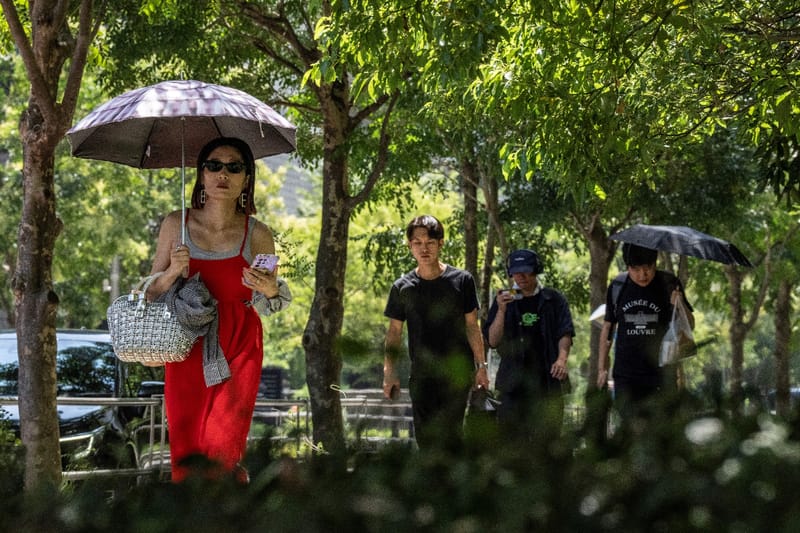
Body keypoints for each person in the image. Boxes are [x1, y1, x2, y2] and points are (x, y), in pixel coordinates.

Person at [146, 137, 291, 482]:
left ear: (246, 178)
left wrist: (269, 288)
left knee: (223, 442)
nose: (222, 174)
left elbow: (269, 302)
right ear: (201, 174)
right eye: (213, 165)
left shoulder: (259, 234)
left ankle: (228, 506)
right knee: (187, 445)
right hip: (186, 344)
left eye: (233, 167)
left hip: (239, 343)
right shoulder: (175, 224)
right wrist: (172, 271)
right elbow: (150, 293)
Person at [382, 215, 490, 451]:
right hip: (422, 375)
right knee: (426, 440)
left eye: (430, 242)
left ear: (440, 243)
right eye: (417, 243)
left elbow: (472, 326)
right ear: (410, 246)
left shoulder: (462, 281)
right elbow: (394, 333)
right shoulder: (402, 287)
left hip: (456, 373)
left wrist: (481, 366)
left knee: (451, 436)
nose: (424, 249)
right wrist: (389, 372)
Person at [483, 249, 575, 444]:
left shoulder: (554, 300)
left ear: (536, 270)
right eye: (516, 273)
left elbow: (565, 332)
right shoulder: (504, 299)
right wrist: (501, 310)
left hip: (547, 385)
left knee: (548, 444)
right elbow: (492, 341)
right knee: (511, 445)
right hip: (512, 387)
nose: (520, 277)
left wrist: (561, 359)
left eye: (525, 271)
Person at [596, 242, 693, 428]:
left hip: (662, 375)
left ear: (655, 263)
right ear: (628, 267)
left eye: (648, 268)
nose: (643, 275)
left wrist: (680, 305)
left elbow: (690, 325)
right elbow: (608, 328)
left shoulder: (669, 284)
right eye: (636, 269)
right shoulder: (618, 286)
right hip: (626, 376)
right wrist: (602, 368)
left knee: (660, 430)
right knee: (631, 429)